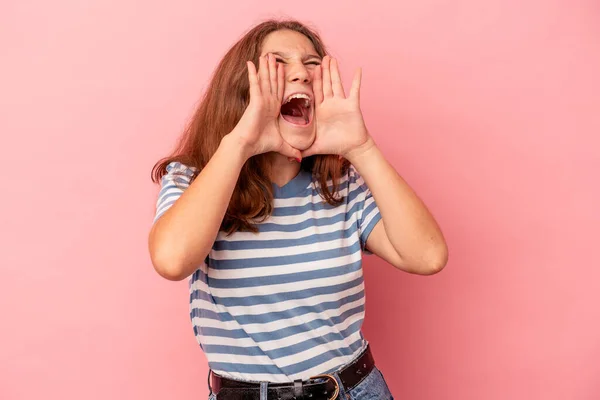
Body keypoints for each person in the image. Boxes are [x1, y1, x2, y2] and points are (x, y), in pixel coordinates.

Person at [149, 19, 448, 400]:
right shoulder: (194, 177)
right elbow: (172, 260)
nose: (301, 74)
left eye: (311, 64)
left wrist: (362, 147)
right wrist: (241, 141)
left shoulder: (342, 185)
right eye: (279, 63)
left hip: (353, 391)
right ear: (244, 88)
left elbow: (429, 255)